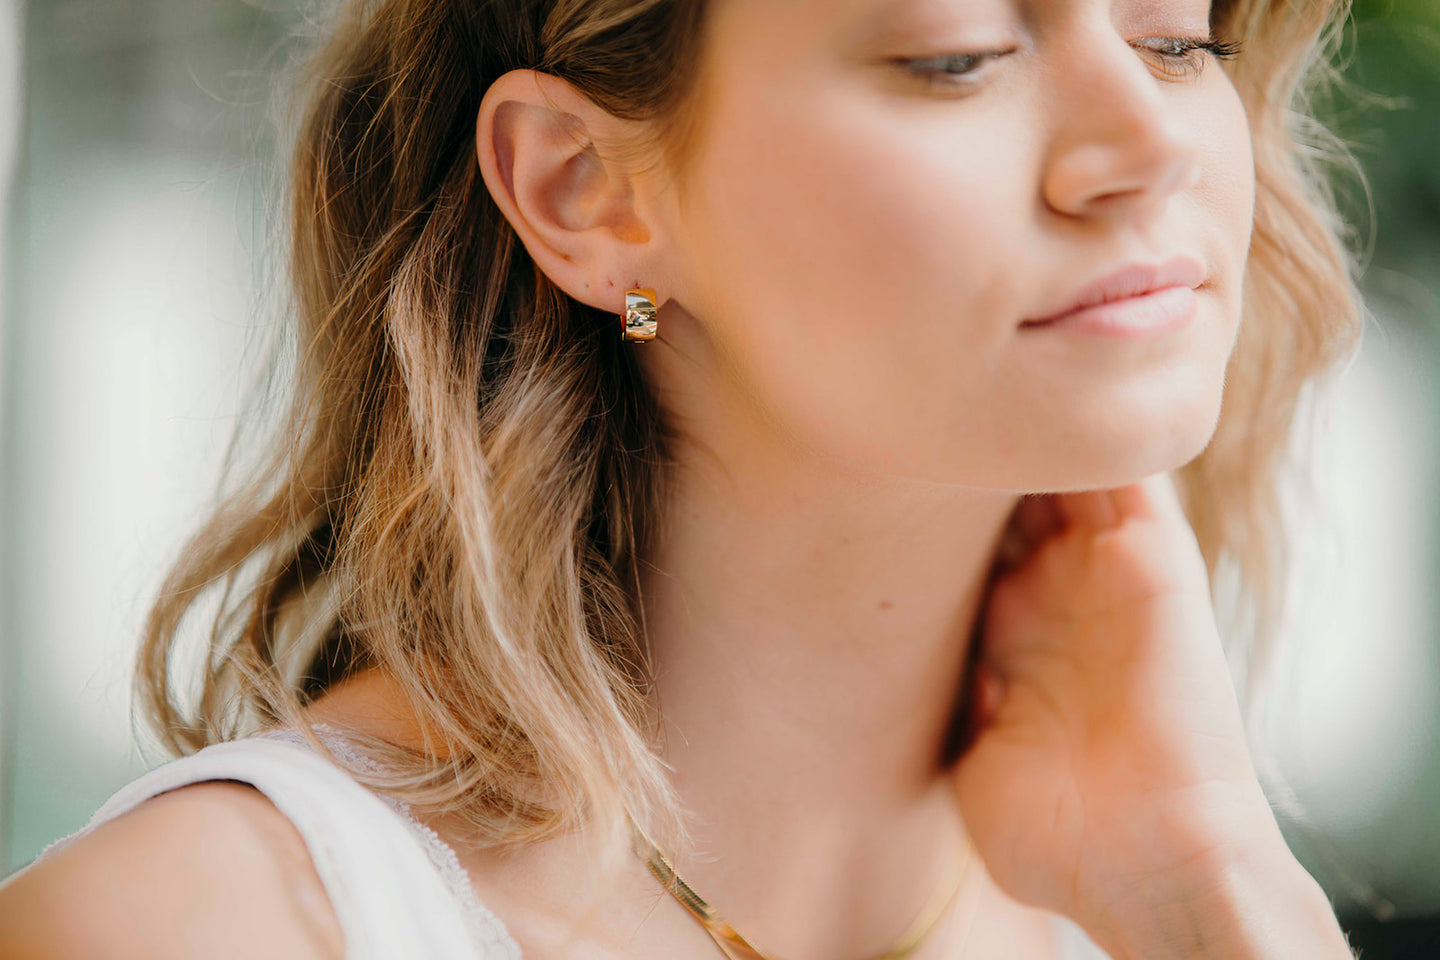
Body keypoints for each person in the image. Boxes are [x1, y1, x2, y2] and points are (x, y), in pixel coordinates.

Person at [0, 0, 1368, 956]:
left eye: (1178, 38)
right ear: (582, 188)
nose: (1148, 146)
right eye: (955, 55)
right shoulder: (198, 933)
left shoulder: (1149, 905)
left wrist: (1214, 898)